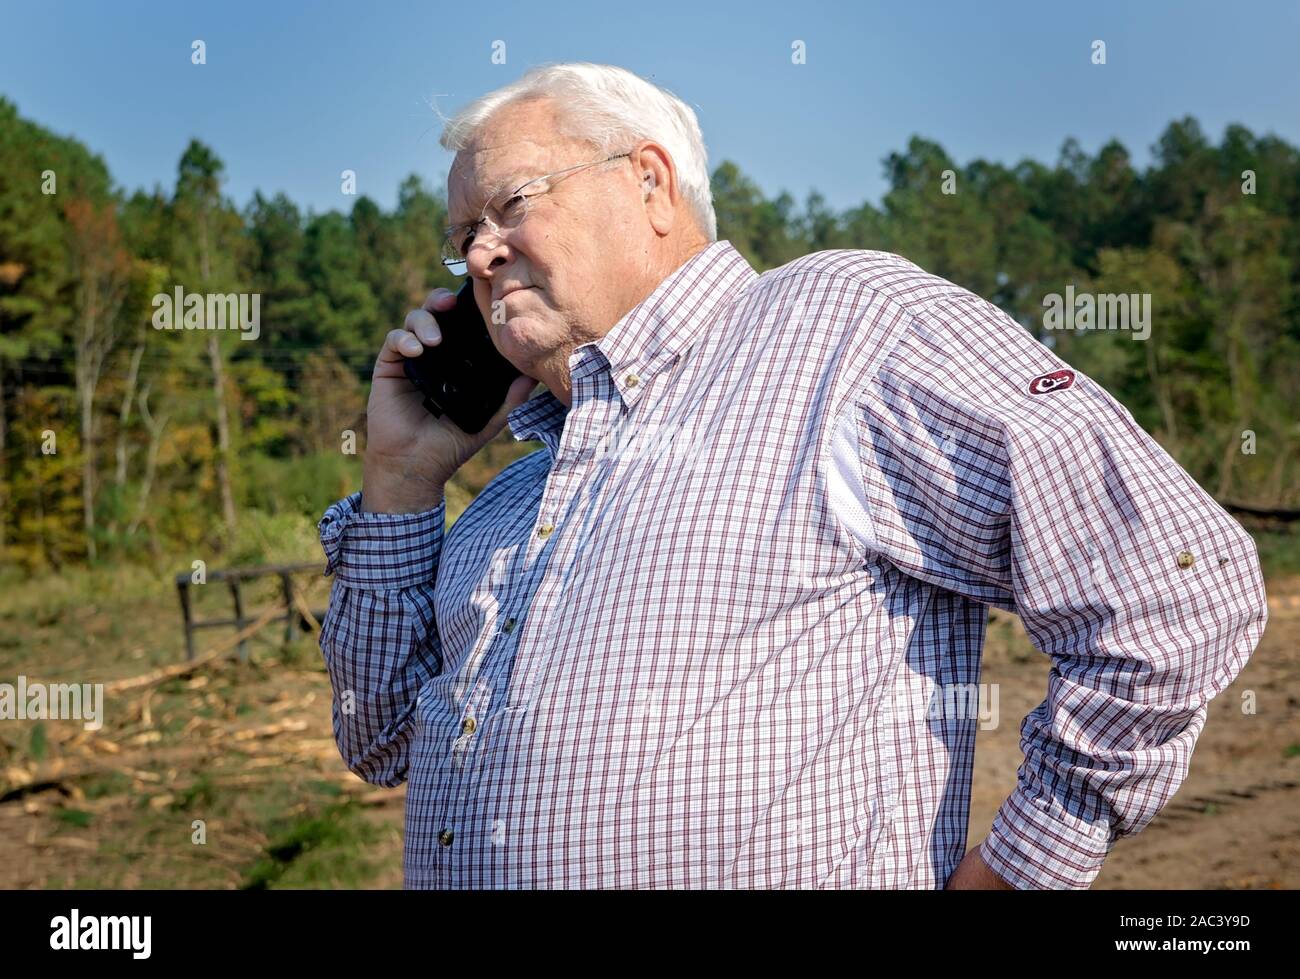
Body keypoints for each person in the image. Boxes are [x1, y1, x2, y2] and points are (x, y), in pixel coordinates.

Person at [317, 62, 1268, 889]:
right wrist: (401, 478)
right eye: (463, 235)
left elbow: (1176, 587)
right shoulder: (511, 501)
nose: (479, 253)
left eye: (512, 203)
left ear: (649, 182)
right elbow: (379, 737)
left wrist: (1020, 874)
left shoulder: (838, 328)